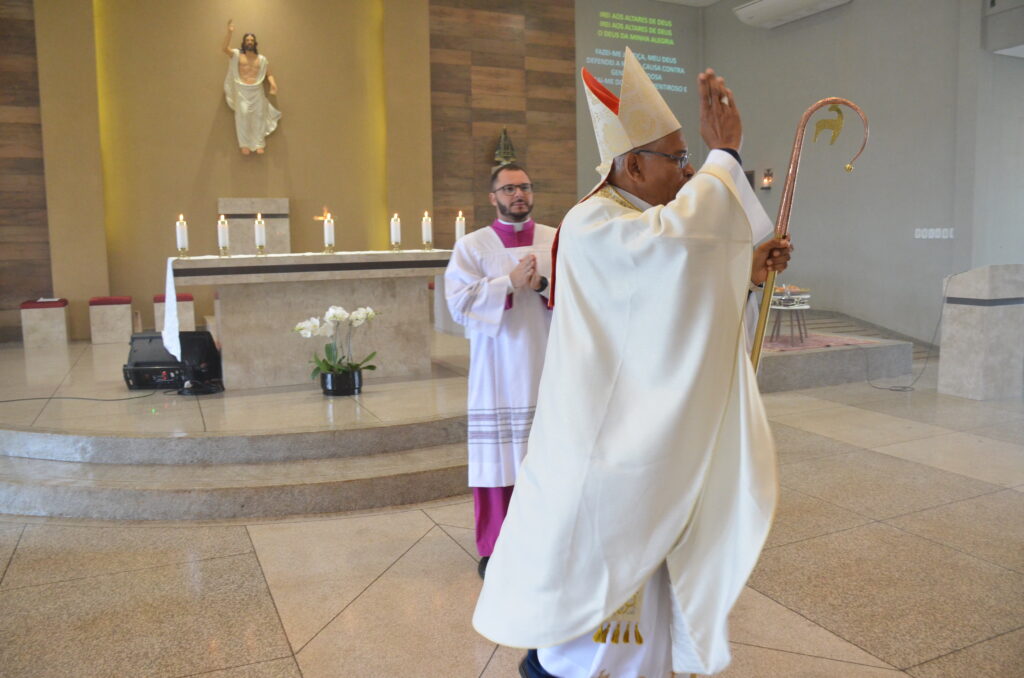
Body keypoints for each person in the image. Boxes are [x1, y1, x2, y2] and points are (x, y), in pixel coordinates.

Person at [473, 48, 792, 677]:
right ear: (633, 164)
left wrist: (746, 272)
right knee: (590, 639)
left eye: (690, 159)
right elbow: (675, 255)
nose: (687, 169)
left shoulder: (635, 222)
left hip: (632, 451)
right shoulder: (595, 222)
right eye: (679, 158)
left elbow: (671, 294)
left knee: (640, 613)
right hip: (603, 456)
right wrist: (726, 157)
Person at [444, 163, 555, 579]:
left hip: (549, 362)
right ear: (493, 197)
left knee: (546, 458)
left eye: (525, 187)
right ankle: (495, 549)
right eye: (509, 188)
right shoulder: (472, 246)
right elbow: (457, 303)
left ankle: (547, 542)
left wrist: (542, 284)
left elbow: (584, 291)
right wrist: (507, 283)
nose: (518, 194)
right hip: (496, 368)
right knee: (497, 460)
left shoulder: (556, 239)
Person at [222, 19, 281, 155]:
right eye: (247, 40)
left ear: (255, 43)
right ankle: (245, 144)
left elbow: (269, 74)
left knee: (259, 115)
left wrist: (273, 84)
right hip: (242, 90)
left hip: (256, 90)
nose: (249, 42)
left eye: (251, 40)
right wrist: (229, 33)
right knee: (242, 114)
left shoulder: (261, 60)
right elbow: (224, 49)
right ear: (244, 42)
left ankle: (259, 143)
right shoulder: (237, 55)